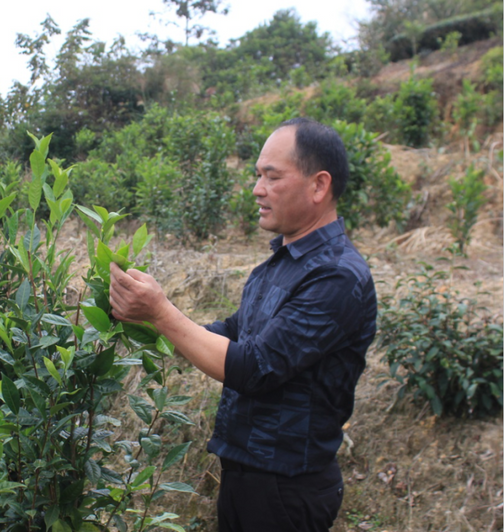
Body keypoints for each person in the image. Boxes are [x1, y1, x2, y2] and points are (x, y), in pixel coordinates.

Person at [108, 117, 377, 532]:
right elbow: (232, 333)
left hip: (286, 489)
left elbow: (254, 366)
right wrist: (146, 322)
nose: (257, 189)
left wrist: (162, 313)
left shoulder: (337, 276)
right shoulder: (277, 266)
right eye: (257, 175)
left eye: (272, 176)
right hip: (247, 475)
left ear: (319, 186)